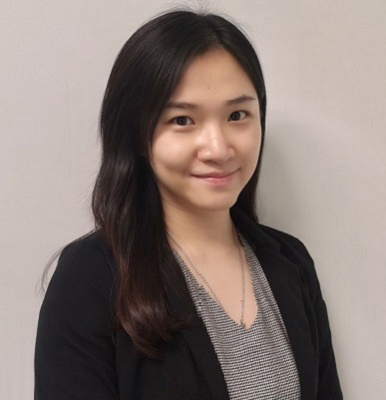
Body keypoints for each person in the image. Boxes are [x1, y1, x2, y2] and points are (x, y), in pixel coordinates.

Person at [34, 9, 343, 400]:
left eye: (237, 115)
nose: (218, 148)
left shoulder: (291, 263)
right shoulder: (91, 278)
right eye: (182, 120)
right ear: (137, 135)